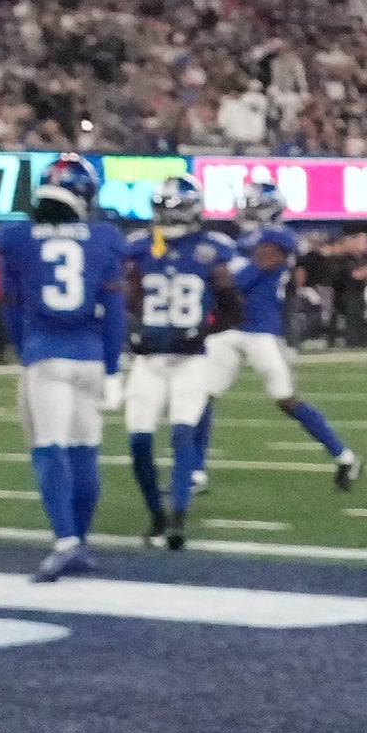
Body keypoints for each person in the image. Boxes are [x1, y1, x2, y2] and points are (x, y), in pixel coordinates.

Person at [0, 155, 130, 581]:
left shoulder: (15, 237)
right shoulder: (105, 238)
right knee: (84, 448)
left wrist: (25, 348)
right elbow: (114, 311)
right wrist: (112, 366)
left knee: (49, 449)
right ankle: (81, 542)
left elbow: (12, 307)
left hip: (45, 353)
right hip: (89, 353)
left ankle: (66, 542)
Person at [195, 185, 364, 492]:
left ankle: (344, 456)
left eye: (252, 204)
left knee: (285, 399)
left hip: (263, 330)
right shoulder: (242, 240)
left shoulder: (278, 238)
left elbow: (241, 278)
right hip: (231, 329)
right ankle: (196, 472)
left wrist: (218, 276)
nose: (244, 209)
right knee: (202, 396)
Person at [119, 179, 226, 550]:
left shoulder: (212, 250)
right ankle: (156, 515)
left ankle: (178, 519)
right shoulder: (140, 248)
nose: (169, 216)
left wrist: (204, 330)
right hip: (149, 359)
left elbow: (233, 306)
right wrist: (132, 330)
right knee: (139, 442)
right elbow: (127, 297)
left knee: (182, 436)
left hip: (190, 360)